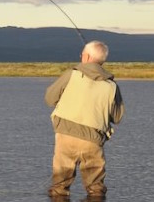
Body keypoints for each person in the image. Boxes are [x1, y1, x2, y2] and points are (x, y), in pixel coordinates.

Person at [44, 40, 125, 199]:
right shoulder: (112, 86)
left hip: (66, 136)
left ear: (86, 56)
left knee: (59, 187)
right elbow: (117, 117)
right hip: (93, 140)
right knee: (96, 188)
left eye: (82, 53)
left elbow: (49, 99)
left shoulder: (71, 74)